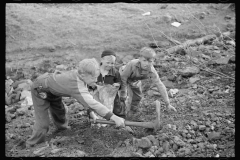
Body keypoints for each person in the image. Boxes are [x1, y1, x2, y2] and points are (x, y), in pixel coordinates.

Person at [25, 58, 125, 148]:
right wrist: (114, 117)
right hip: (40, 89)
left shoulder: (80, 78)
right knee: (42, 123)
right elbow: (92, 103)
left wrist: (91, 113)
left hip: (54, 90)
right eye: (93, 78)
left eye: (96, 77)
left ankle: (62, 129)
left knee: (60, 111)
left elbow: (85, 99)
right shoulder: (76, 85)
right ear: (82, 75)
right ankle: (32, 144)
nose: (95, 80)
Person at [119, 47, 177, 121]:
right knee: (122, 97)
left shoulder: (151, 70)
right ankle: (119, 115)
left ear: (153, 61)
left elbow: (159, 84)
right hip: (122, 77)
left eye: (150, 61)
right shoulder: (132, 64)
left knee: (137, 97)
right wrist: (123, 93)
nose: (147, 63)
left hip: (135, 80)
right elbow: (123, 78)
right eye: (144, 60)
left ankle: (131, 113)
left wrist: (167, 103)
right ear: (140, 59)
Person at [88, 50, 125, 117]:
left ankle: (120, 119)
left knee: (116, 107)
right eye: (108, 62)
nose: (110, 65)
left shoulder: (115, 73)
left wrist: (117, 84)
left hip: (110, 96)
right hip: (97, 95)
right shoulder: (95, 71)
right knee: (95, 107)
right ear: (102, 60)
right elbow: (89, 83)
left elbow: (119, 82)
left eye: (112, 63)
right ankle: (95, 120)